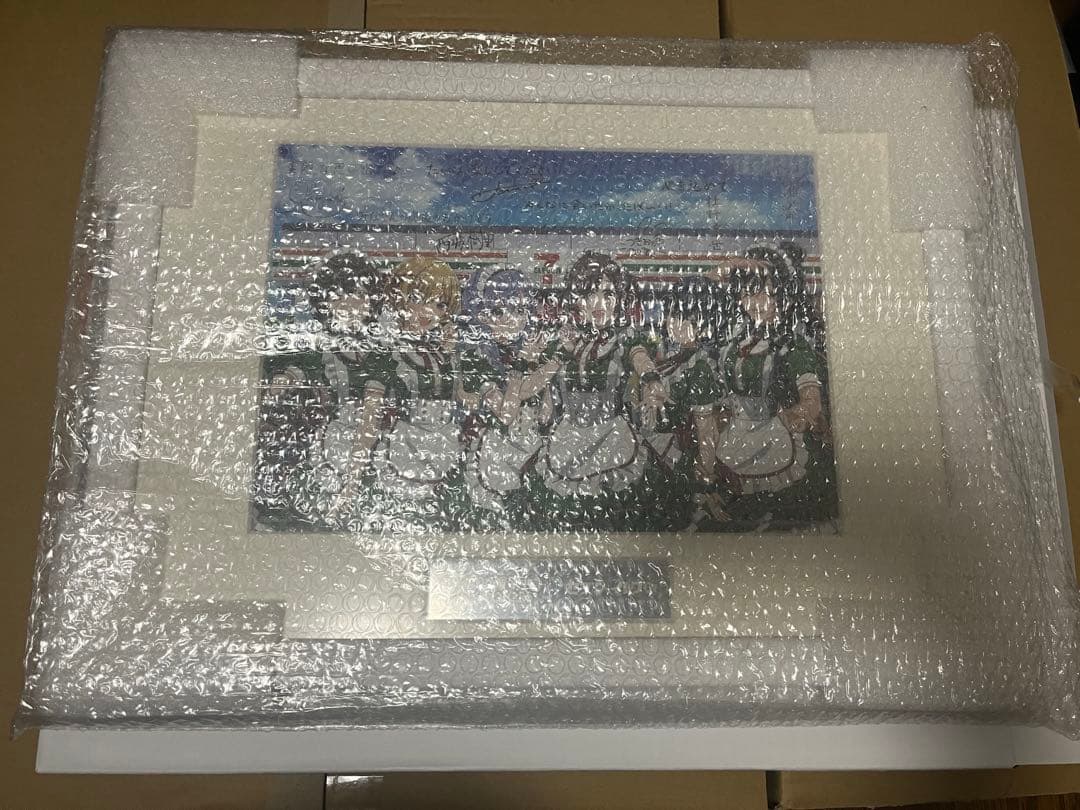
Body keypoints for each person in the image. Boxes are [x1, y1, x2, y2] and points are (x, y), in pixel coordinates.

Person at [259, 252, 403, 528]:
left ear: (372, 301)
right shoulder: (323, 349)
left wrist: (352, 480)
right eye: (338, 297)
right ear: (324, 304)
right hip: (326, 437)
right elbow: (296, 371)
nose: (349, 306)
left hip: (373, 439)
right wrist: (280, 385)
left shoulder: (379, 355)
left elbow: (371, 414)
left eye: (358, 295)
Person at [533, 252, 667, 531]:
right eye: (590, 294)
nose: (599, 304)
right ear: (576, 300)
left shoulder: (624, 340)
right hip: (568, 438)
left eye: (608, 295)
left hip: (613, 438)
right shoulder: (565, 343)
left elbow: (640, 357)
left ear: (619, 300)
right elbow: (543, 389)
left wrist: (651, 380)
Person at [715, 243, 836, 526]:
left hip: (776, 441)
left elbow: (811, 402)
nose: (753, 302)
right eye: (746, 293)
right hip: (734, 439)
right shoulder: (735, 343)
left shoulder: (793, 346)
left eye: (762, 292)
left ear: (782, 293)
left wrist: (790, 418)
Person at [364, 256, 466, 530]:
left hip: (443, 449)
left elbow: (461, 398)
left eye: (439, 304)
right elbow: (370, 417)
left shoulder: (443, 355)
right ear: (399, 298)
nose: (428, 311)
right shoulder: (388, 352)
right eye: (418, 298)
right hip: (402, 449)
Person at [456, 268, 560, 525]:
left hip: (532, 446)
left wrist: (542, 365)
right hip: (496, 452)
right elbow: (505, 414)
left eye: (519, 311)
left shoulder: (529, 354)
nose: (510, 320)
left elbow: (545, 413)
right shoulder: (477, 357)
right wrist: (528, 366)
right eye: (498, 311)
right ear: (482, 315)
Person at [633, 275, 736, 528]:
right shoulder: (671, 358)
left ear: (702, 325)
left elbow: (706, 430)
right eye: (671, 314)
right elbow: (638, 351)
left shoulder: (699, 368)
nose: (671, 322)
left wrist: (706, 479)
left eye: (680, 317)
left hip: (676, 460)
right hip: (651, 449)